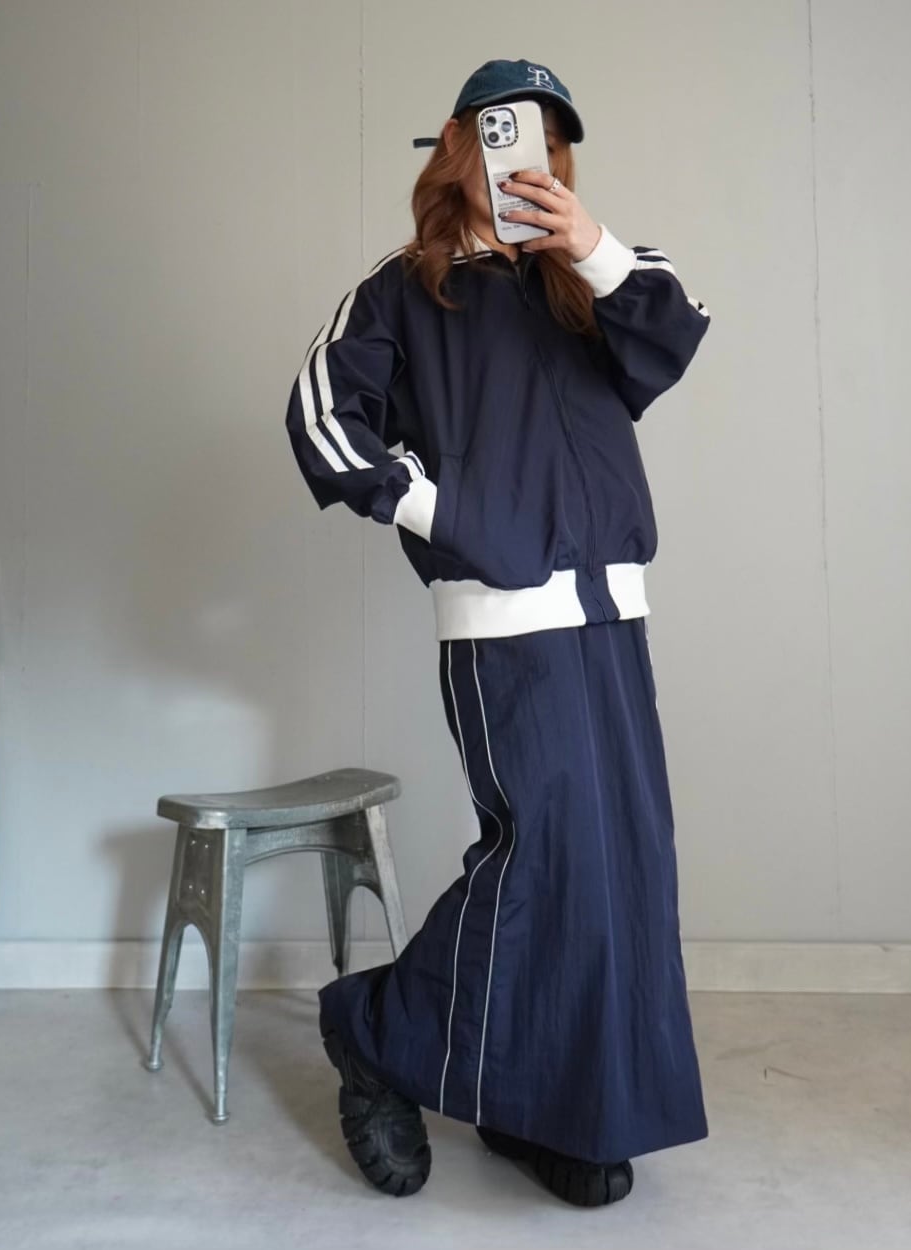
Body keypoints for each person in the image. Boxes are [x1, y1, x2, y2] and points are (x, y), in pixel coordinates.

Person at [284, 58, 711, 1207]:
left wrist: (590, 244)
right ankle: (375, 1031)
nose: (525, 155)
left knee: (620, 869)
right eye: (501, 129)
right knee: (544, 853)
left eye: (546, 140)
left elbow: (675, 334)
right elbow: (322, 418)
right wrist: (445, 511)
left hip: (610, 608)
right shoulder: (401, 292)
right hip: (504, 615)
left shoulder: (587, 278)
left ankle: (548, 1103)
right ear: (455, 143)